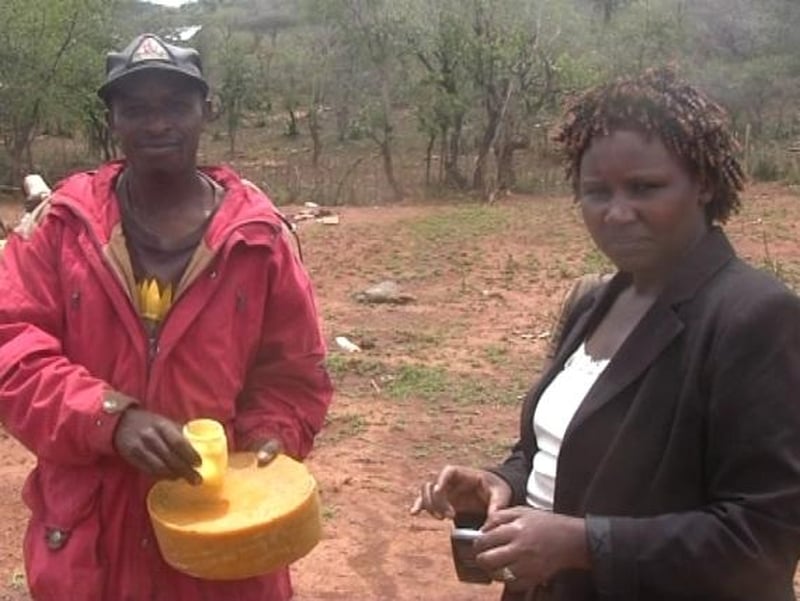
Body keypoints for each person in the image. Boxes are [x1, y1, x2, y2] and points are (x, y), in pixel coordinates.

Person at [411, 67, 800, 601]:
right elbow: (566, 450)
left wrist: (584, 544)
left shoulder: (753, 316)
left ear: (704, 183)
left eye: (645, 188)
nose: (617, 213)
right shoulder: (597, 302)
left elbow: (763, 539)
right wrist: (502, 481)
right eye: (596, 192)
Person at [0, 33, 333, 601]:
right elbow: (11, 350)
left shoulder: (259, 238)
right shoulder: (62, 226)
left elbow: (293, 376)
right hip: (90, 543)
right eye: (137, 108)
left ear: (207, 110)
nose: (157, 124)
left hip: (220, 534)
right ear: (113, 119)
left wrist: (270, 437)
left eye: (176, 105)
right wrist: (110, 417)